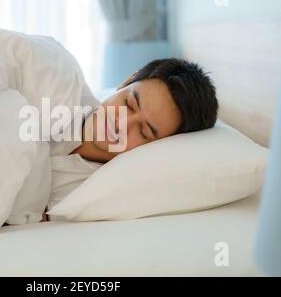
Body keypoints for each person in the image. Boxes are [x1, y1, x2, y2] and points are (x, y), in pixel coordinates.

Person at [44, 58, 219, 222]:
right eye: (129, 104)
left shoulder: (92, 196)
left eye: (144, 132)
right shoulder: (56, 79)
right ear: (126, 82)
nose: (120, 123)